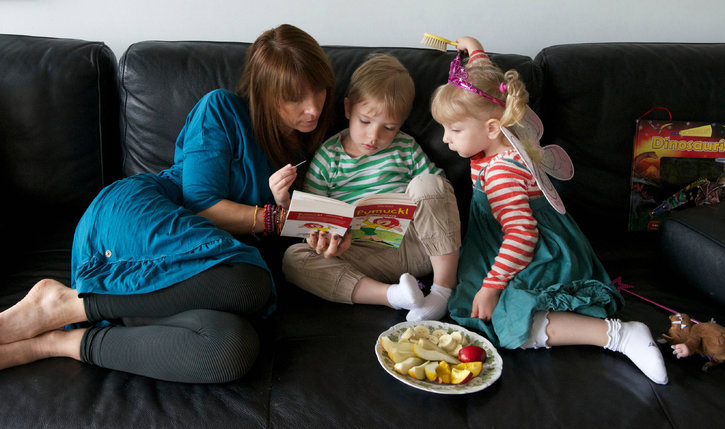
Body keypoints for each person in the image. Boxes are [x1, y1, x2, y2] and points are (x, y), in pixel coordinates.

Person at [0, 24, 335, 383]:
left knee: (230, 349)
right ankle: (66, 304)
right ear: (264, 93)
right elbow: (202, 206)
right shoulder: (223, 108)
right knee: (249, 284)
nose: (313, 107)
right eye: (295, 98)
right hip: (142, 216)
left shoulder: (306, 152)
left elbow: (274, 242)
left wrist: (318, 237)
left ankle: (56, 344)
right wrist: (274, 218)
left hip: (192, 276)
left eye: (318, 90)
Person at [430, 36, 668, 384]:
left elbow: (523, 233)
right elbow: (488, 84)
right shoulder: (501, 122)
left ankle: (618, 335)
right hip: (505, 240)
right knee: (474, 307)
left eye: (454, 130)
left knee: (509, 322)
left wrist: (493, 285)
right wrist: (475, 51)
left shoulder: (500, 173)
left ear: (492, 128)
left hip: (533, 249)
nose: (445, 139)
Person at [282, 54, 461, 322]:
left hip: (420, 246)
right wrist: (328, 242)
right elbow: (314, 220)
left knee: (430, 183)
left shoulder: (406, 148)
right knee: (294, 259)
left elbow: (439, 197)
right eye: (365, 121)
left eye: (389, 128)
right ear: (348, 109)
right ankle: (393, 296)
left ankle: (442, 290)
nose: (374, 136)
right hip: (359, 255)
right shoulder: (328, 157)